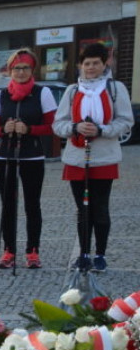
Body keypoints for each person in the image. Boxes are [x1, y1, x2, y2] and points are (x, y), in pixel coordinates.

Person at [52, 42, 133, 272]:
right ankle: (84, 254)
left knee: (100, 208)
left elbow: (126, 121)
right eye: (87, 63)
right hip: (77, 158)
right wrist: (75, 127)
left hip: (104, 158)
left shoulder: (115, 88)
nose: (91, 67)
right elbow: (59, 124)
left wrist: (101, 130)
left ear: (104, 64)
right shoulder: (72, 91)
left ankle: (101, 255)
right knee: (82, 209)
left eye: (96, 63)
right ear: (80, 66)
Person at [0, 48, 58, 270]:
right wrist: (4, 128)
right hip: (6, 155)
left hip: (32, 155)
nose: (20, 72)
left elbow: (51, 127)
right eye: (16, 68)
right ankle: (9, 250)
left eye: (25, 67)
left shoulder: (42, 93)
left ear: (32, 69)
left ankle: (33, 250)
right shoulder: (1, 95)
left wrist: (28, 129)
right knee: (8, 204)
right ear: (10, 71)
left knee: (32, 204)